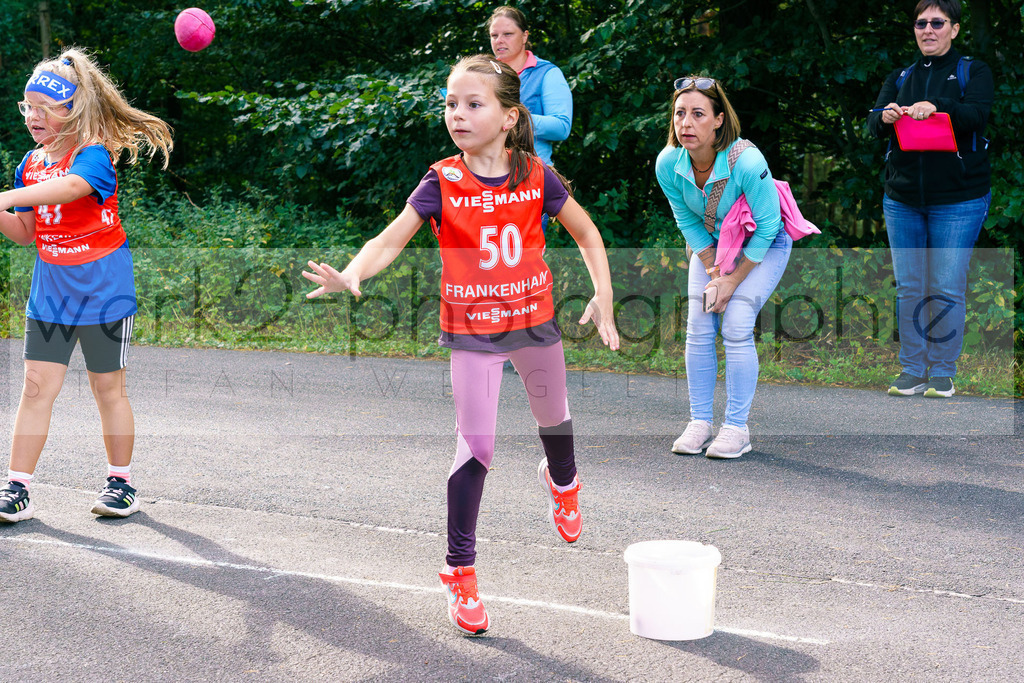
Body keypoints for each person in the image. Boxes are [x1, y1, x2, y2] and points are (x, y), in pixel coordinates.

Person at [302, 55, 618, 635]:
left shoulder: (534, 175)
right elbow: (388, 238)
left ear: (508, 117)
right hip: (473, 334)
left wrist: (604, 293)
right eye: (451, 103)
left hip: (533, 321)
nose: (458, 114)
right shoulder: (441, 180)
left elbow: (587, 231)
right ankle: (460, 571)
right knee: (477, 450)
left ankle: (563, 483)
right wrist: (352, 275)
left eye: (474, 104)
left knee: (556, 421)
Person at [0, 48, 173, 523]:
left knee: (108, 390)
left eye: (44, 107)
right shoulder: (29, 165)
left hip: (104, 289)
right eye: (27, 105)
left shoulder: (92, 156)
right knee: (35, 389)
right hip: (51, 291)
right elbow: (26, 232)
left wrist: (5, 196)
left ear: (71, 109)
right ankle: (17, 488)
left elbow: (71, 189)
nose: (32, 116)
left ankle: (121, 484)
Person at [655, 77, 791, 460]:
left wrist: (732, 280)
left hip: (763, 244)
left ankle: (736, 428)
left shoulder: (747, 160)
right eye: (680, 114)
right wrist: (715, 271)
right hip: (713, 248)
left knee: (735, 324)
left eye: (698, 114)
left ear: (718, 120)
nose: (686, 123)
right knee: (698, 326)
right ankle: (700, 422)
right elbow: (686, 219)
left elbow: (767, 227)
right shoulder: (668, 163)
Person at [867, 0, 992, 398]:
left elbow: (977, 115)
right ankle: (912, 370)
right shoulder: (900, 76)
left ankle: (942, 372)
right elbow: (872, 123)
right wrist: (884, 116)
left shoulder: (973, 71)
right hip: (902, 199)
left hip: (959, 199)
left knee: (946, 285)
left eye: (937, 23)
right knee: (909, 286)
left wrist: (938, 106)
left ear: (954, 29)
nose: (928, 29)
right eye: (921, 23)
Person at [487, 6, 572, 172]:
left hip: (534, 172)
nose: (499, 40)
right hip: (488, 174)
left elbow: (561, 127)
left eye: (507, 34)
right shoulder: (483, 73)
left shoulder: (547, 73)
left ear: (524, 36)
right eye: (494, 35)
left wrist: (511, 119)